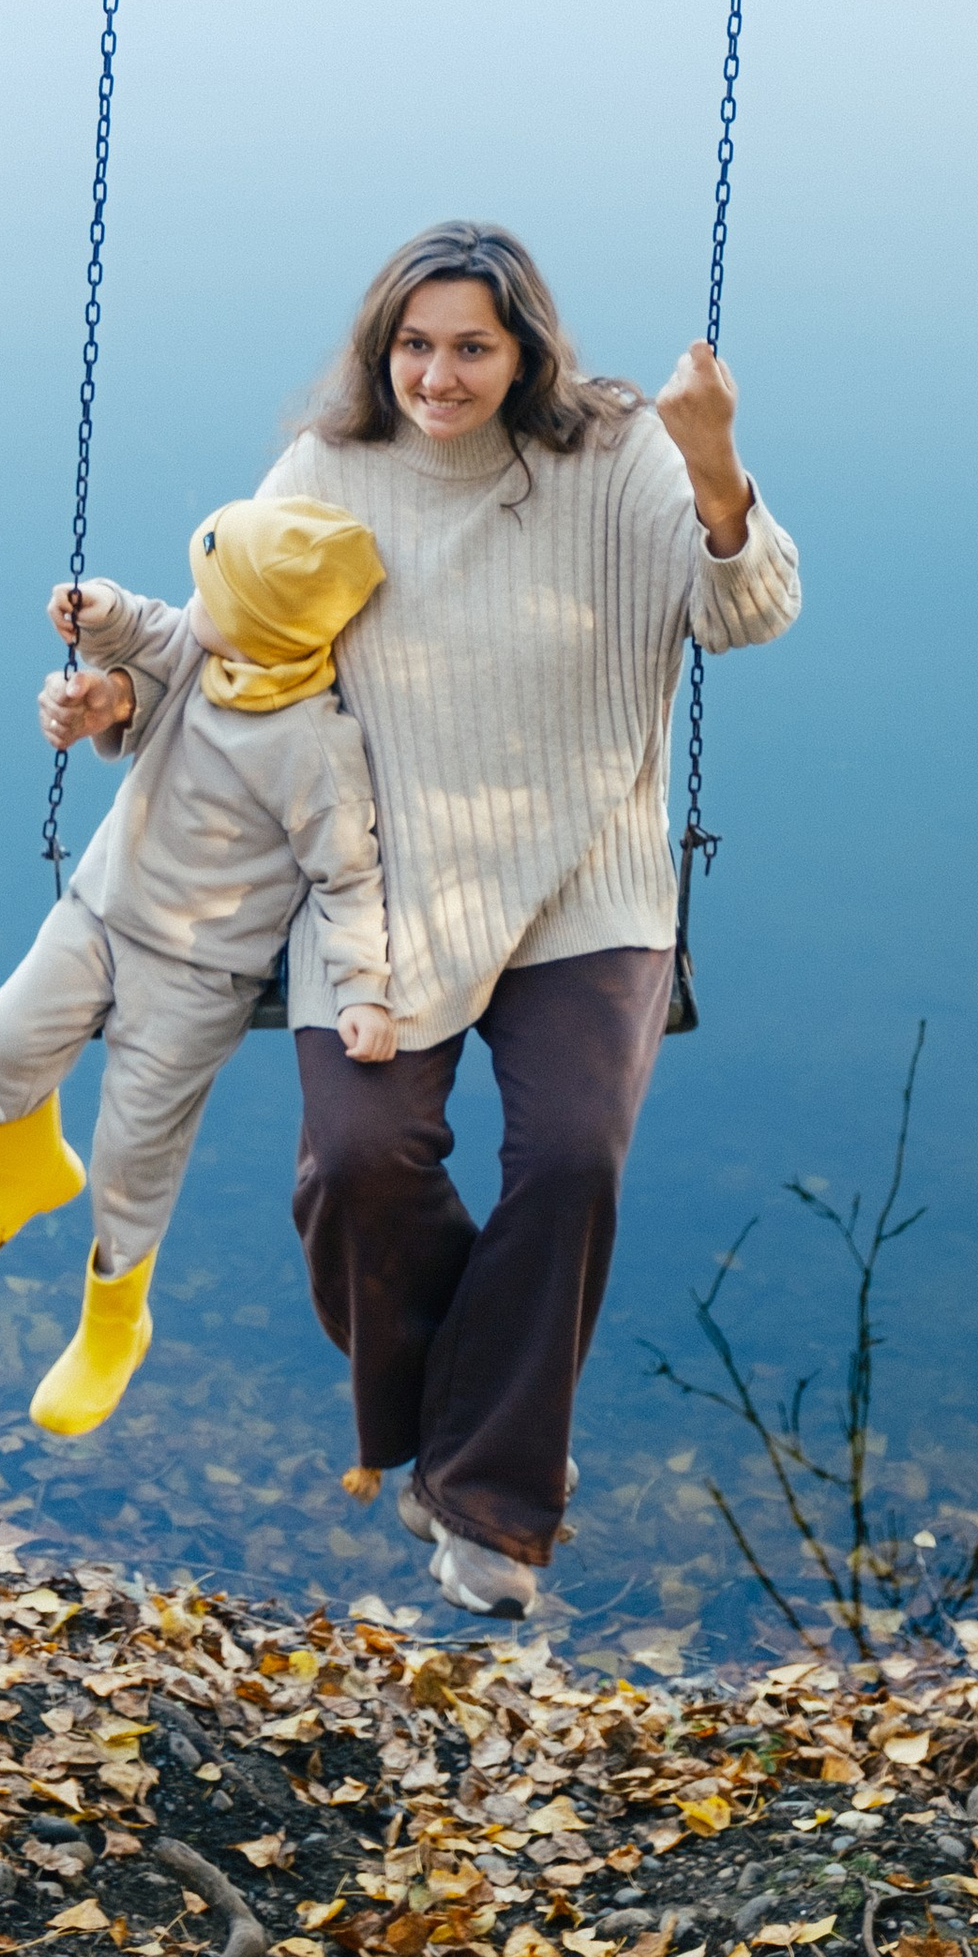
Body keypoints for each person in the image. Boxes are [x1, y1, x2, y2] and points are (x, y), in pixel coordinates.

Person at [262, 220, 800, 1622]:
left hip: (587, 875)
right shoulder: (326, 472)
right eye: (415, 346)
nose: (438, 376)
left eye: (472, 348)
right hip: (384, 882)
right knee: (358, 1165)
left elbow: (748, 610)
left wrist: (712, 457)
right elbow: (236, 648)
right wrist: (117, 695)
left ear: (526, 353)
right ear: (382, 350)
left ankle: (490, 1498)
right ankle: (472, 1416)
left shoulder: (613, 455)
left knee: (570, 1160)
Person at [0, 495, 392, 1437]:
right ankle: (20, 1170)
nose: (192, 606)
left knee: (133, 1154)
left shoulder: (312, 748)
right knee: (3, 1037)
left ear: (262, 630)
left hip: (196, 976)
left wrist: (363, 990)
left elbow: (349, 877)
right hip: (100, 911)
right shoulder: (208, 651)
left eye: (212, 596)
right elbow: (148, 629)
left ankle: (115, 1320)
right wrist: (97, 611)